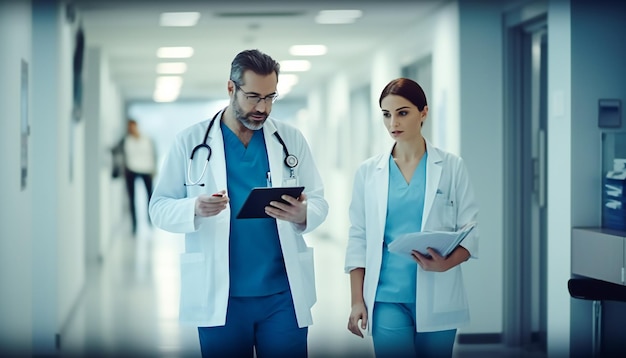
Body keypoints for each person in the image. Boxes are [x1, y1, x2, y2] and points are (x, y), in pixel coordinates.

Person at [148, 49, 328, 358]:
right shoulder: (190, 142)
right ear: (231, 88)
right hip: (221, 295)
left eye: (271, 97)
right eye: (254, 97)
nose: (263, 107)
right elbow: (159, 207)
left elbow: (320, 200)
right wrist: (194, 207)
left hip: (282, 295)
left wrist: (303, 213)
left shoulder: (290, 138)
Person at [344, 78, 479, 358]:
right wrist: (357, 300)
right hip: (386, 297)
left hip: (438, 291)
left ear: (424, 113)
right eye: (386, 114)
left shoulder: (452, 166)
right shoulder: (368, 172)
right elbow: (358, 237)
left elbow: (471, 231)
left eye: (402, 112)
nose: (393, 122)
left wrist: (446, 264)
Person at [123, 118, 157, 235]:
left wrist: (154, 169)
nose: (131, 129)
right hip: (131, 170)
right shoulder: (126, 140)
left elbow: (153, 154)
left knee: (150, 197)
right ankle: (134, 225)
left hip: (146, 169)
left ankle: (150, 221)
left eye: (133, 126)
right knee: (132, 199)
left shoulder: (147, 139)